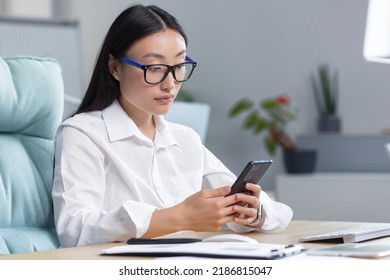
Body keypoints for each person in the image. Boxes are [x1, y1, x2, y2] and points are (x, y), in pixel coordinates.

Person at [52, 4, 293, 248]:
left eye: (178, 67)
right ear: (115, 67)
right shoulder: (83, 134)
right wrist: (179, 217)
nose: (170, 84)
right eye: (154, 68)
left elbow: (277, 212)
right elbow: (74, 229)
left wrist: (253, 212)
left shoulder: (184, 139)